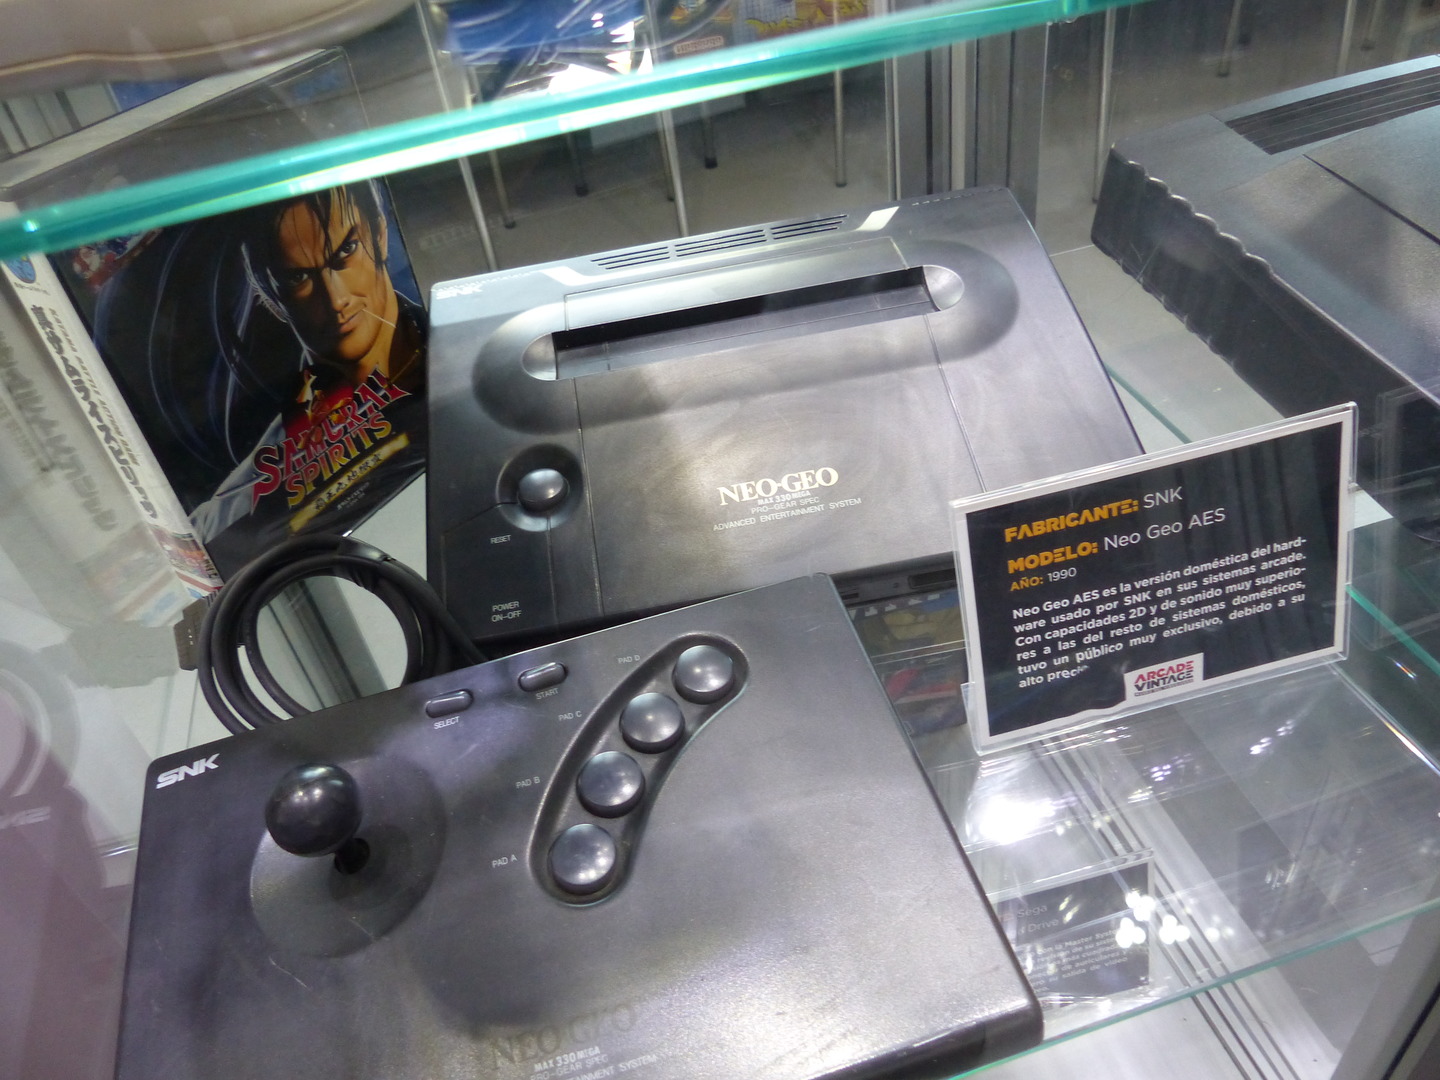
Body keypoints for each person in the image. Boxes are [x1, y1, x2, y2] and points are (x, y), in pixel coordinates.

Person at [192, 182, 426, 548]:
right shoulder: (270, 464)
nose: (335, 299)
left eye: (345, 251)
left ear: (380, 235)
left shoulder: (452, 353)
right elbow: (207, 536)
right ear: (270, 297)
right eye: (298, 277)